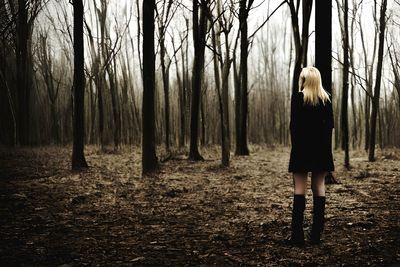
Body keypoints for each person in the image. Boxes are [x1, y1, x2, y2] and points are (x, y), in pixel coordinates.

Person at [286, 66, 334, 246]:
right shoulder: (326, 100)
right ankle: (316, 234)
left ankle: (297, 235)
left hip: (301, 149)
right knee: (319, 186)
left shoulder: (297, 98)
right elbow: (330, 127)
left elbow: (294, 126)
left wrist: (296, 147)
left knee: (300, 189)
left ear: (304, 80)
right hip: (321, 150)